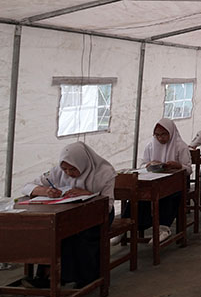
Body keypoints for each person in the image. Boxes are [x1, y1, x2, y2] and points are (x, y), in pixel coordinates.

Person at [21, 142, 116, 288]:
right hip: (67, 214)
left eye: (73, 169)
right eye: (65, 169)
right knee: (52, 234)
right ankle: (47, 276)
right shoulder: (57, 172)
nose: (68, 173)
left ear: (83, 163)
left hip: (98, 216)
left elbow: (108, 204)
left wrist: (90, 194)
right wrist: (44, 191)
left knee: (79, 235)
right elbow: (27, 187)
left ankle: (85, 277)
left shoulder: (104, 173)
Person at [131, 118, 192, 243]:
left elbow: (189, 169)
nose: (160, 138)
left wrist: (178, 166)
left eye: (164, 134)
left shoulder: (180, 146)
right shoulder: (151, 146)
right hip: (155, 181)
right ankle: (132, 224)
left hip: (177, 183)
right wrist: (150, 164)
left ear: (171, 132)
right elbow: (142, 165)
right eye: (157, 135)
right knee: (138, 193)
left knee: (169, 194)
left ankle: (164, 228)